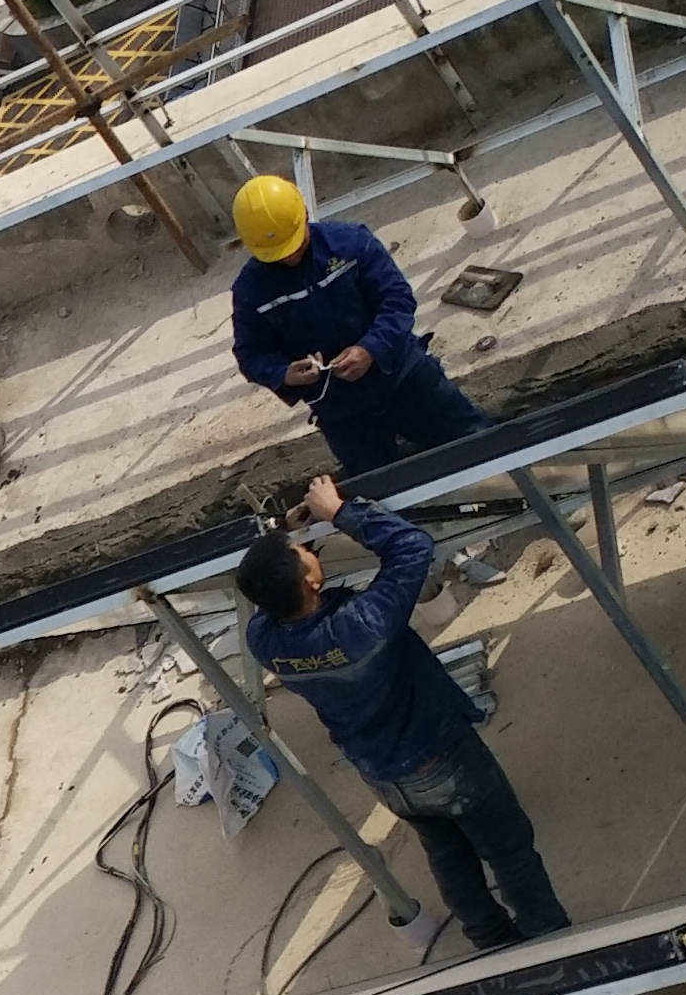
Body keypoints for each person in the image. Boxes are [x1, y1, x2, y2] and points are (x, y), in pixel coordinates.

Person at [237, 474, 568, 951]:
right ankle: (549, 938)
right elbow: (412, 547)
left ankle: (490, 938)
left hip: (383, 773)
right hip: (440, 756)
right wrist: (339, 514)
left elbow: (282, 596)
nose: (311, 553)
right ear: (311, 581)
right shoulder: (362, 624)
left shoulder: (264, 641)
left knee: (448, 851)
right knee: (508, 847)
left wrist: (289, 539)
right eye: (305, 554)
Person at [228, 175, 487, 477]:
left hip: (403, 375)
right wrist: (284, 374)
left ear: (306, 216)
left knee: (477, 442)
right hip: (341, 409)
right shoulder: (250, 290)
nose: (288, 257)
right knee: (380, 488)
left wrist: (370, 348)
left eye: (293, 246)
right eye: (278, 254)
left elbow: (397, 300)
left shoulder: (349, 243)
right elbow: (250, 354)